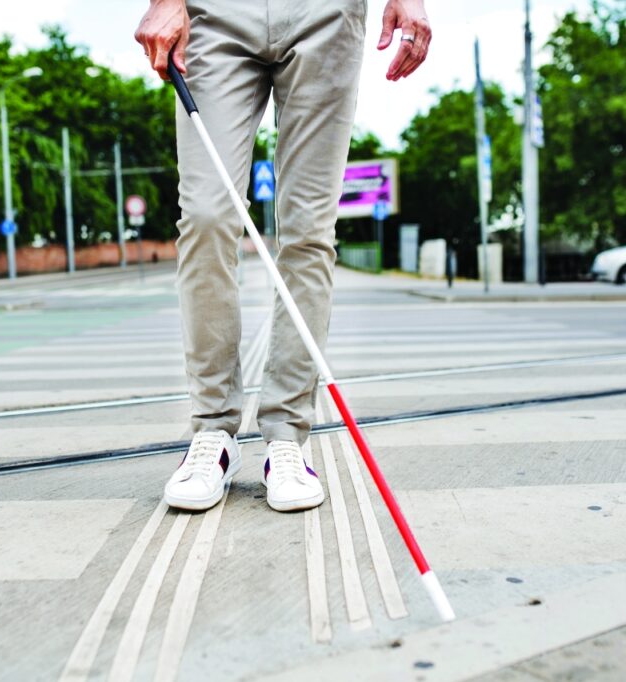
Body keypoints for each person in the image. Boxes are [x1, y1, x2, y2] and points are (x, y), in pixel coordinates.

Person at [136, 0, 431, 512]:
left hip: (327, 14)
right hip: (216, 13)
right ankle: (213, 432)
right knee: (207, 216)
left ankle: (287, 437)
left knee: (309, 231)